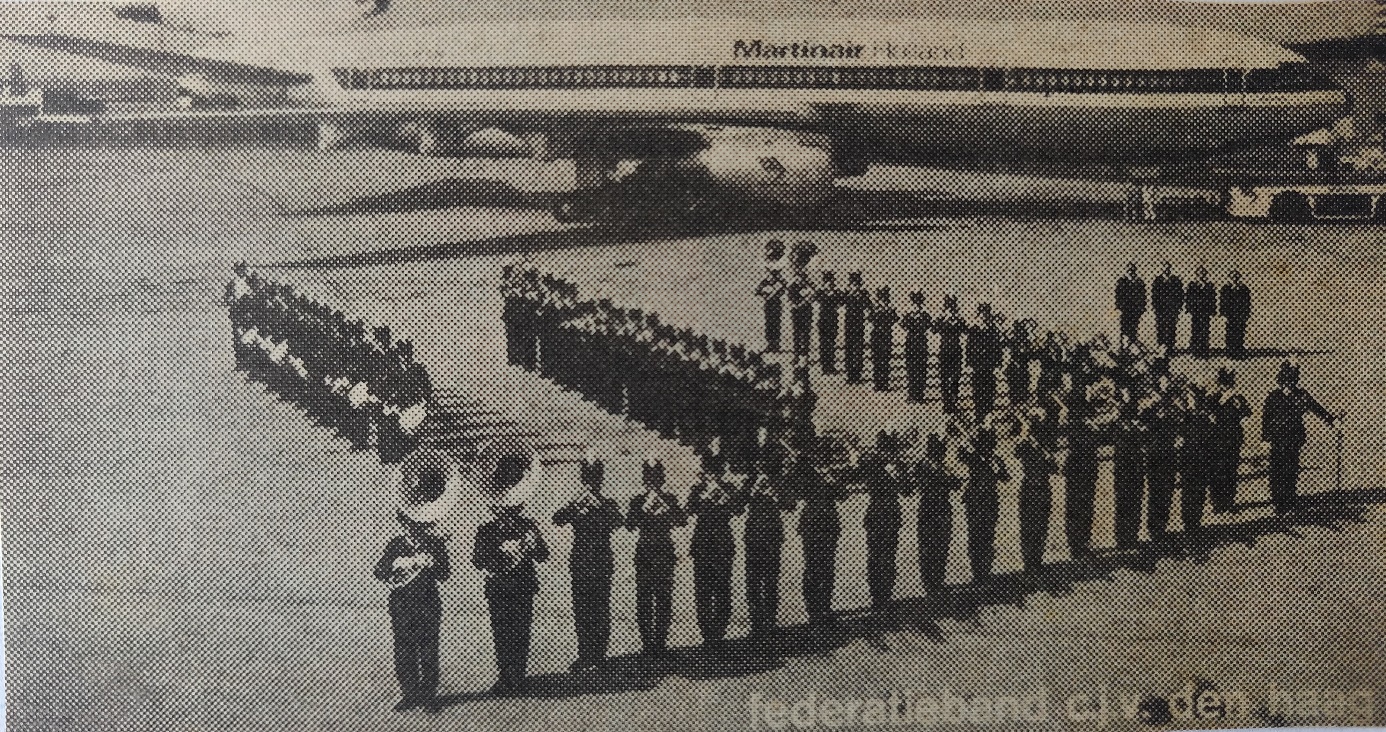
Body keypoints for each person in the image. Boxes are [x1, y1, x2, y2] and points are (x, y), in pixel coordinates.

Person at [374, 449, 458, 712]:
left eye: (420, 524)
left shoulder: (435, 544)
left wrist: (431, 563)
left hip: (428, 601)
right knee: (404, 649)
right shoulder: (396, 544)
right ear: (405, 522)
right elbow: (379, 571)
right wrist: (402, 562)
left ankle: (429, 695)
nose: (415, 527)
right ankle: (409, 693)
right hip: (401, 602)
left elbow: (445, 574)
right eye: (411, 523)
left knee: (429, 649)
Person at [472, 440, 550, 697]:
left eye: (513, 508)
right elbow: (477, 561)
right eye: (503, 508)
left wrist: (533, 543)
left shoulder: (528, 526)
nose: (507, 511)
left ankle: (519, 676)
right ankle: (505, 676)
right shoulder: (486, 529)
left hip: (523, 584)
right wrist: (499, 552)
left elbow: (544, 555)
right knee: (501, 634)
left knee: (521, 632)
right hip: (499, 587)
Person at [552, 454, 624, 672]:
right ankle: (584, 654)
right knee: (582, 609)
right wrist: (575, 506)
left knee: (601, 609)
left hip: (602, 563)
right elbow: (557, 519)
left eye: (593, 482)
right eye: (587, 481)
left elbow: (619, 521)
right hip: (580, 564)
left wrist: (599, 505)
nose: (590, 486)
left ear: (600, 482)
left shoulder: (608, 503)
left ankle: (600, 655)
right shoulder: (576, 504)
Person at [626, 458, 687, 657]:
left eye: (656, 481)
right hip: (644, 553)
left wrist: (666, 508)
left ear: (662, 481)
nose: (653, 485)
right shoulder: (637, 501)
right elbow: (629, 525)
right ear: (644, 482)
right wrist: (643, 509)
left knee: (663, 598)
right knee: (643, 599)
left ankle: (660, 643)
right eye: (649, 481)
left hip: (664, 553)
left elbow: (682, 521)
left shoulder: (669, 499)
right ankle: (647, 644)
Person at [1262, 362, 1340, 514]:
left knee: (1291, 469)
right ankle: (1279, 502)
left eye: (1291, 382)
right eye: (1285, 382)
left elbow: (1317, 408)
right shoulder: (1273, 396)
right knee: (1277, 470)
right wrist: (1265, 439)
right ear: (1281, 382)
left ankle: (1290, 500)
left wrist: (1332, 420)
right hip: (1277, 439)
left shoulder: (1301, 395)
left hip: (1294, 439)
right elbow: (1266, 418)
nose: (1288, 386)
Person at [687, 448, 745, 645]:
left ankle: (719, 632)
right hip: (702, 544)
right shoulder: (698, 490)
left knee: (722, 589)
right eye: (709, 473)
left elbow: (738, 509)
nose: (713, 476)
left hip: (722, 544)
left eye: (717, 473)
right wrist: (703, 497)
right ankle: (706, 633)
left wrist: (724, 499)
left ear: (722, 473)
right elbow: (688, 510)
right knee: (702, 590)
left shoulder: (728, 489)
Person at [793, 435, 844, 625]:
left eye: (825, 455)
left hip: (829, 524)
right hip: (812, 524)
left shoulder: (829, 473)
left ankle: (825, 607)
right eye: (819, 454)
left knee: (828, 568)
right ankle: (813, 610)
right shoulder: (805, 472)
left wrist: (832, 480)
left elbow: (843, 495)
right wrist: (811, 475)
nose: (822, 458)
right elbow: (797, 493)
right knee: (813, 567)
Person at [745, 432, 791, 638]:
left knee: (771, 579)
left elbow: (790, 505)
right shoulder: (750, 482)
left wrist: (776, 493)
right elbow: (737, 507)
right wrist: (752, 490)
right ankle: (756, 623)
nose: (761, 466)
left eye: (765, 462)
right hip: (754, 534)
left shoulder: (779, 481)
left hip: (772, 534)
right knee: (753, 580)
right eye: (758, 462)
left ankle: (770, 622)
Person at [863, 432, 909, 608]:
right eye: (885, 450)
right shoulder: (872, 464)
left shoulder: (897, 466)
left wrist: (898, 473)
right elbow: (867, 480)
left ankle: (886, 596)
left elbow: (906, 491)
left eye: (891, 451)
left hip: (891, 516)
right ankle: (877, 597)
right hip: (877, 515)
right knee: (876, 557)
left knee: (889, 557)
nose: (889, 454)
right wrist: (883, 468)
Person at [959, 424, 1008, 583]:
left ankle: (985, 571)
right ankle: (977, 572)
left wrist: (998, 467)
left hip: (989, 502)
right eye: (986, 444)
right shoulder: (973, 457)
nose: (989, 447)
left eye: (991, 444)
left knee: (987, 536)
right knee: (975, 536)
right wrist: (967, 439)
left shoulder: (994, 459)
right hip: (975, 502)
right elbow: (960, 453)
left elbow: (1005, 478)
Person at [1014, 411, 1059, 573]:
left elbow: (1055, 469)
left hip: (1044, 489)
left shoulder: (1045, 448)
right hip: (1029, 488)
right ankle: (1028, 562)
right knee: (1028, 527)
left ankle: (1037, 560)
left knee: (1041, 526)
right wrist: (1025, 434)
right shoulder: (1026, 444)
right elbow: (1017, 451)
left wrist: (1049, 456)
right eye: (1035, 427)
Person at [1139, 373, 1182, 542]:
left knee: (1166, 494)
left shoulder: (1174, 408)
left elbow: (1181, 423)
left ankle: (1161, 529)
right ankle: (1154, 530)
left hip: (1169, 456)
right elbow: (1143, 425)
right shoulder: (1148, 409)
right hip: (1155, 456)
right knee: (1155, 493)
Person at [914, 434, 959, 595]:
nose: (943, 452)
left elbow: (955, 483)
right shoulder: (924, 465)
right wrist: (946, 479)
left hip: (943, 508)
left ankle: (938, 582)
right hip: (929, 509)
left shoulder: (943, 466)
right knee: (928, 547)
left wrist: (950, 479)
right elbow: (923, 483)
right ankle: (930, 584)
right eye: (940, 449)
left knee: (942, 546)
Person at [1209, 368, 1252, 514]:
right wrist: (1223, 400)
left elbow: (1247, 414)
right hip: (1216, 440)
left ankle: (1229, 502)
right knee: (1217, 471)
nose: (1227, 387)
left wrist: (1239, 406)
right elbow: (1209, 412)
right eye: (1225, 384)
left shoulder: (1237, 398)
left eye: (1229, 384)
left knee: (1231, 471)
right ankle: (1217, 503)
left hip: (1233, 439)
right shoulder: (1214, 397)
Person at [967, 304, 1003, 421]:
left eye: (986, 315)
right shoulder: (974, 331)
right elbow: (969, 348)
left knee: (989, 391)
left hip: (989, 367)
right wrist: (970, 362)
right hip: (977, 367)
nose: (984, 318)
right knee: (977, 390)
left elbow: (998, 349)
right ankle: (979, 414)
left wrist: (997, 363)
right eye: (982, 315)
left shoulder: (993, 332)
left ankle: (988, 414)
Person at [934, 296, 966, 414]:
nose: (951, 310)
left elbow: (965, 330)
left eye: (953, 308)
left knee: (956, 378)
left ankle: (954, 402)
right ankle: (946, 404)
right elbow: (934, 329)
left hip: (956, 352)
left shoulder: (959, 320)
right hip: (944, 353)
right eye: (949, 308)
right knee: (944, 378)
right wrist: (942, 317)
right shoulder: (942, 320)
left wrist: (958, 319)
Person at [901, 291, 932, 403]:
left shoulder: (925, 315)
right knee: (911, 370)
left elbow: (929, 326)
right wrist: (911, 316)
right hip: (910, 344)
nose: (917, 306)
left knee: (921, 370)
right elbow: (904, 325)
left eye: (919, 303)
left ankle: (920, 395)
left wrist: (917, 319)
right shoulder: (908, 315)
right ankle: (911, 394)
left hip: (922, 345)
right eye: (915, 303)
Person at [842, 272, 871, 384]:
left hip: (859, 326)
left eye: (857, 284)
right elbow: (839, 302)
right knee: (849, 350)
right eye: (853, 284)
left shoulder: (863, 294)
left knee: (858, 351)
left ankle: (857, 375)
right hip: (849, 326)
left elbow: (869, 308)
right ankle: (850, 375)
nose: (855, 286)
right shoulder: (847, 294)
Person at [869, 287, 898, 392]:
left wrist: (888, 309)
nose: (883, 300)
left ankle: (884, 383)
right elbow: (871, 319)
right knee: (877, 360)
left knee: (885, 360)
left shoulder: (889, 309)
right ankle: (878, 384)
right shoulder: (875, 309)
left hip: (886, 337)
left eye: (885, 298)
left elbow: (895, 319)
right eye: (881, 298)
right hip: (877, 336)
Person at [1185, 267, 1217, 358]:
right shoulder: (1192, 285)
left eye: (1203, 274)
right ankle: (1195, 351)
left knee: (1205, 331)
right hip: (1196, 312)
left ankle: (1204, 351)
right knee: (1195, 331)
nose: (1201, 276)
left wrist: (1212, 309)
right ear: (1196, 275)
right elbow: (1189, 298)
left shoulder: (1209, 285)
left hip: (1205, 312)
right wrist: (1190, 309)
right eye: (1199, 274)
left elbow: (1212, 298)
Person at [1151, 262, 1184, 352]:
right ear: (1161, 270)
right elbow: (1154, 295)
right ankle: (1161, 346)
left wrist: (1178, 306)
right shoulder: (1157, 281)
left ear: (1170, 269)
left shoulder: (1175, 280)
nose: (1166, 270)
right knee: (1161, 327)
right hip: (1160, 309)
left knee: (1171, 327)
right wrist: (1155, 306)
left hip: (1172, 309)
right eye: (1164, 268)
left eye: (1167, 268)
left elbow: (1180, 295)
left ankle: (1170, 347)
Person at [1220, 271, 1252, 360]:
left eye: (1236, 277)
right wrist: (1224, 312)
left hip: (1240, 315)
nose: (1234, 279)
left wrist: (1246, 313)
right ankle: (1230, 352)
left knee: (1239, 333)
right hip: (1230, 315)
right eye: (1233, 277)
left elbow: (1247, 302)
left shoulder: (1243, 289)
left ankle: (1239, 351)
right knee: (1230, 333)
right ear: (1229, 278)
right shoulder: (1226, 288)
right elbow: (1223, 301)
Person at [1115, 262, 1147, 346]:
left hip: (1135, 309)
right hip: (1125, 309)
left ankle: (1131, 345)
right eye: (1129, 270)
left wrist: (1141, 308)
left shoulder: (1139, 282)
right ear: (1126, 271)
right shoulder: (1122, 281)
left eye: (1132, 270)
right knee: (1124, 327)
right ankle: (1123, 346)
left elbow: (1143, 296)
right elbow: (1118, 295)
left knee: (1134, 327)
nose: (1131, 272)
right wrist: (1119, 307)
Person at [817, 271, 843, 374]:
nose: (830, 284)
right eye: (827, 281)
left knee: (831, 344)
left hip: (832, 321)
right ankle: (824, 366)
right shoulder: (821, 292)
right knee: (823, 344)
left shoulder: (836, 293)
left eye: (831, 281)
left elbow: (842, 301)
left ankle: (830, 366)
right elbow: (817, 299)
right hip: (823, 321)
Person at [787, 268, 816, 359]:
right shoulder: (793, 286)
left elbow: (814, 296)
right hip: (796, 313)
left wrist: (805, 301)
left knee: (806, 333)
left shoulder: (809, 286)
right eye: (798, 277)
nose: (800, 279)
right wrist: (795, 305)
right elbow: (789, 298)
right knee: (797, 334)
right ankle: (797, 354)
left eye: (802, 277)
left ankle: (805, 354)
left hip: (806, 312)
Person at [758, 268, 786, 353]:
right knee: (769, 324)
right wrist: (765, 295)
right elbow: (758, 290)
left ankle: (776, 345)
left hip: (776, 305)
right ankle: (770, 344)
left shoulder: (779, 283)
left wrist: (776, 292)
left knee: (776, 323)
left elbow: (784, 288)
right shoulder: (765, 282)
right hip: (769, 305)